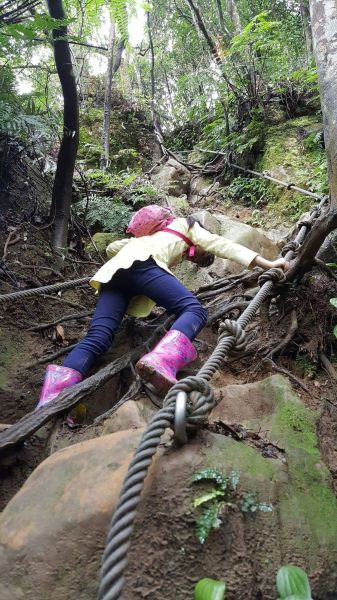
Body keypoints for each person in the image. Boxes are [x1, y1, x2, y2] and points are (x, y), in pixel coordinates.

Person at [36, 211, 289, 410]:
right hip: (143, 266)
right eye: (200, 255)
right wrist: (267, 263)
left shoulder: (152, 236)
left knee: (98, 338)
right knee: (194, 310)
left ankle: (52, 399)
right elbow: (223, 244)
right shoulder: (188, 226)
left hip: (114, 276)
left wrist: (141, 247)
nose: (196, 257)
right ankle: (161, 360)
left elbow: (113, 249)